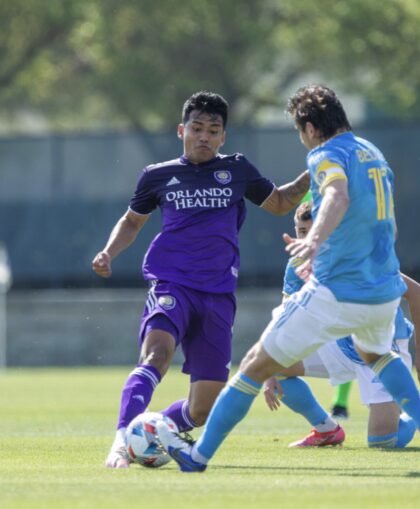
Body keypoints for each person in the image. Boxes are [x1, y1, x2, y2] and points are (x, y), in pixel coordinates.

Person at [156, 84, 420, 471]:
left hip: (338, 289)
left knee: (254, 365)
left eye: (298, 130)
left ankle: (197, 455)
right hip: (383, 289)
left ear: (307, 126)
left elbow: (337, 196)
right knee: (378, 355)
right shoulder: (371, 151)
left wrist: (314, 241)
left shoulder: (325, 154)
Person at [93, 91, 310, 468]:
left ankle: (150, 433)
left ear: (223, 136)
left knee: (202, 410)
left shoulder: (237, 170)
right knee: (156, 356)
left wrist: (316, 171)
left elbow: (279, 203)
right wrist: (109, 252)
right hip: (171, 283)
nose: (204, 136)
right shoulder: (157, 175)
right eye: (197, 128)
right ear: (182, 130)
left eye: (213, 130)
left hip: (218, 294)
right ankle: (121, 440)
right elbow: (132, 222)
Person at [262, 201, 420, 449]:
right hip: (338, 344)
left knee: (383, 443)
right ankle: (327, 430)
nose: (305, 239)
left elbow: (417, 293)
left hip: (380, 349)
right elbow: (285, 318)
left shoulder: (358, 258)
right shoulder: (297, 265)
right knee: (271, 367)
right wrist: (269, 365)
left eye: (312, 232)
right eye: (301, 232)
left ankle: (419, 410)